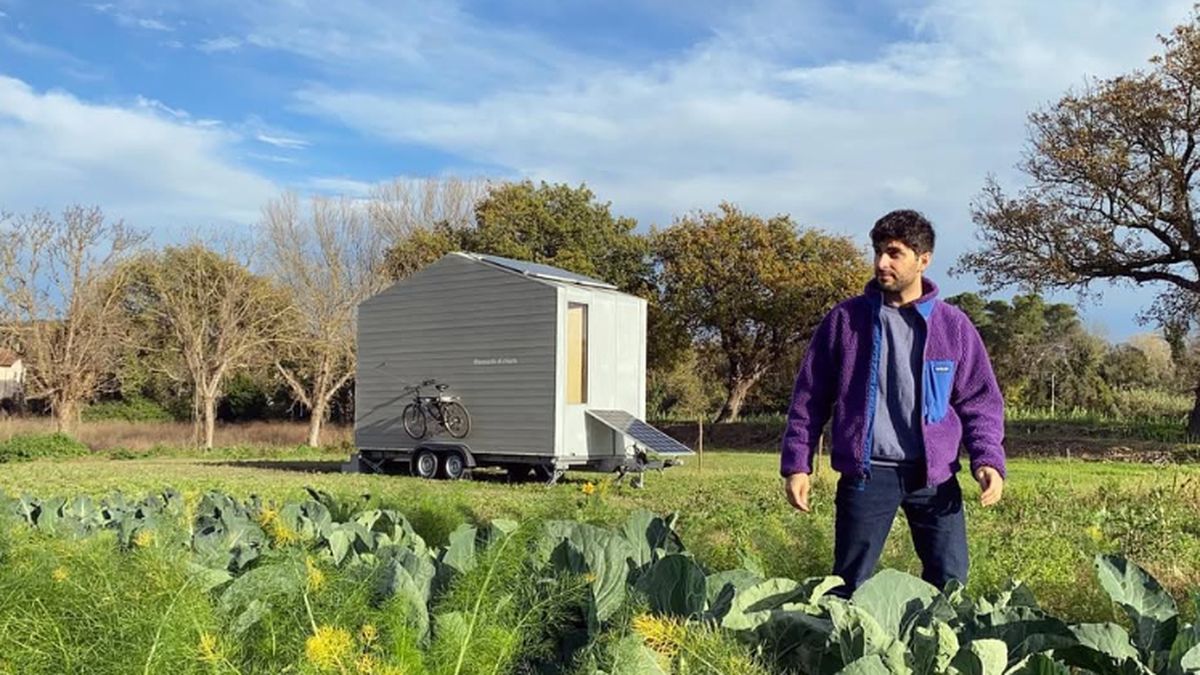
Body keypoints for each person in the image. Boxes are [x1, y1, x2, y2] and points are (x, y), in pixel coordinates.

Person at [780, 209, 1006, 596]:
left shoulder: (953, 327)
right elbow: (810, 396)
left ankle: (934, 653)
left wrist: (988, 460)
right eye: (878, 252)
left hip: (934, 477)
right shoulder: (845, 321)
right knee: (850, 584)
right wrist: (797, 465)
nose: (881, 263)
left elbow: (979, 401)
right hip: (868, 474)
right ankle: (845, 652)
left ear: (923, 260)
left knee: (950, 583)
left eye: (894, 253)